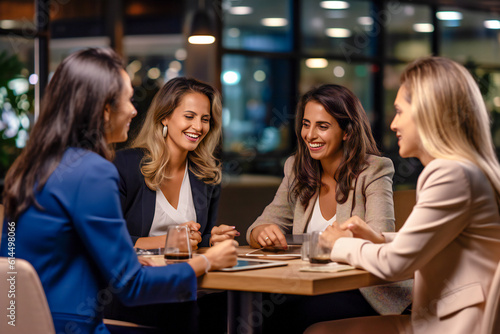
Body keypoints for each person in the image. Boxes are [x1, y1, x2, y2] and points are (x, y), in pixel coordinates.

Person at [0, 48, 238, 334]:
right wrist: (206, 261)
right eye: (128, 99)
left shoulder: (30, 167)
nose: (135, 110)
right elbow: (132, 286)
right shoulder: (94, 171)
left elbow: (18, 259)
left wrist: (125, 258)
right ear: (103, 108)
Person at [307, 57, 500, 334]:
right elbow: (441, 240)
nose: (393, 124)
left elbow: (395, 264)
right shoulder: (471, 170)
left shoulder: (449, 173)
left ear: (427, 113)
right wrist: (379, 239)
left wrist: (336, 244)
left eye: (399, 111)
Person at [246, 84, 412, 332]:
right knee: (246, 306)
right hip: (310, 284)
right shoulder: (296, 168)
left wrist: (346, 239)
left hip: (365, 291)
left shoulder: (374, 170)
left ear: (346, 131)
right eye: (306, 124)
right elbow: (259, 225)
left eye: (322, 126)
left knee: (282, 314)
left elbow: (380, 237)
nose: (310, 135)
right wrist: (262, 232)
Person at [112, 76, 239, 250]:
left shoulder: (208, 175)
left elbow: (198, 239)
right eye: (189, 116)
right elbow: (106, 239)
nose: (198, 127)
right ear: (165, 117)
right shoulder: (124, 165)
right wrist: (169, 241)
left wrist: (212, 239)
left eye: (205, 119)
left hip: (189, 272)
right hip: (137, 274)